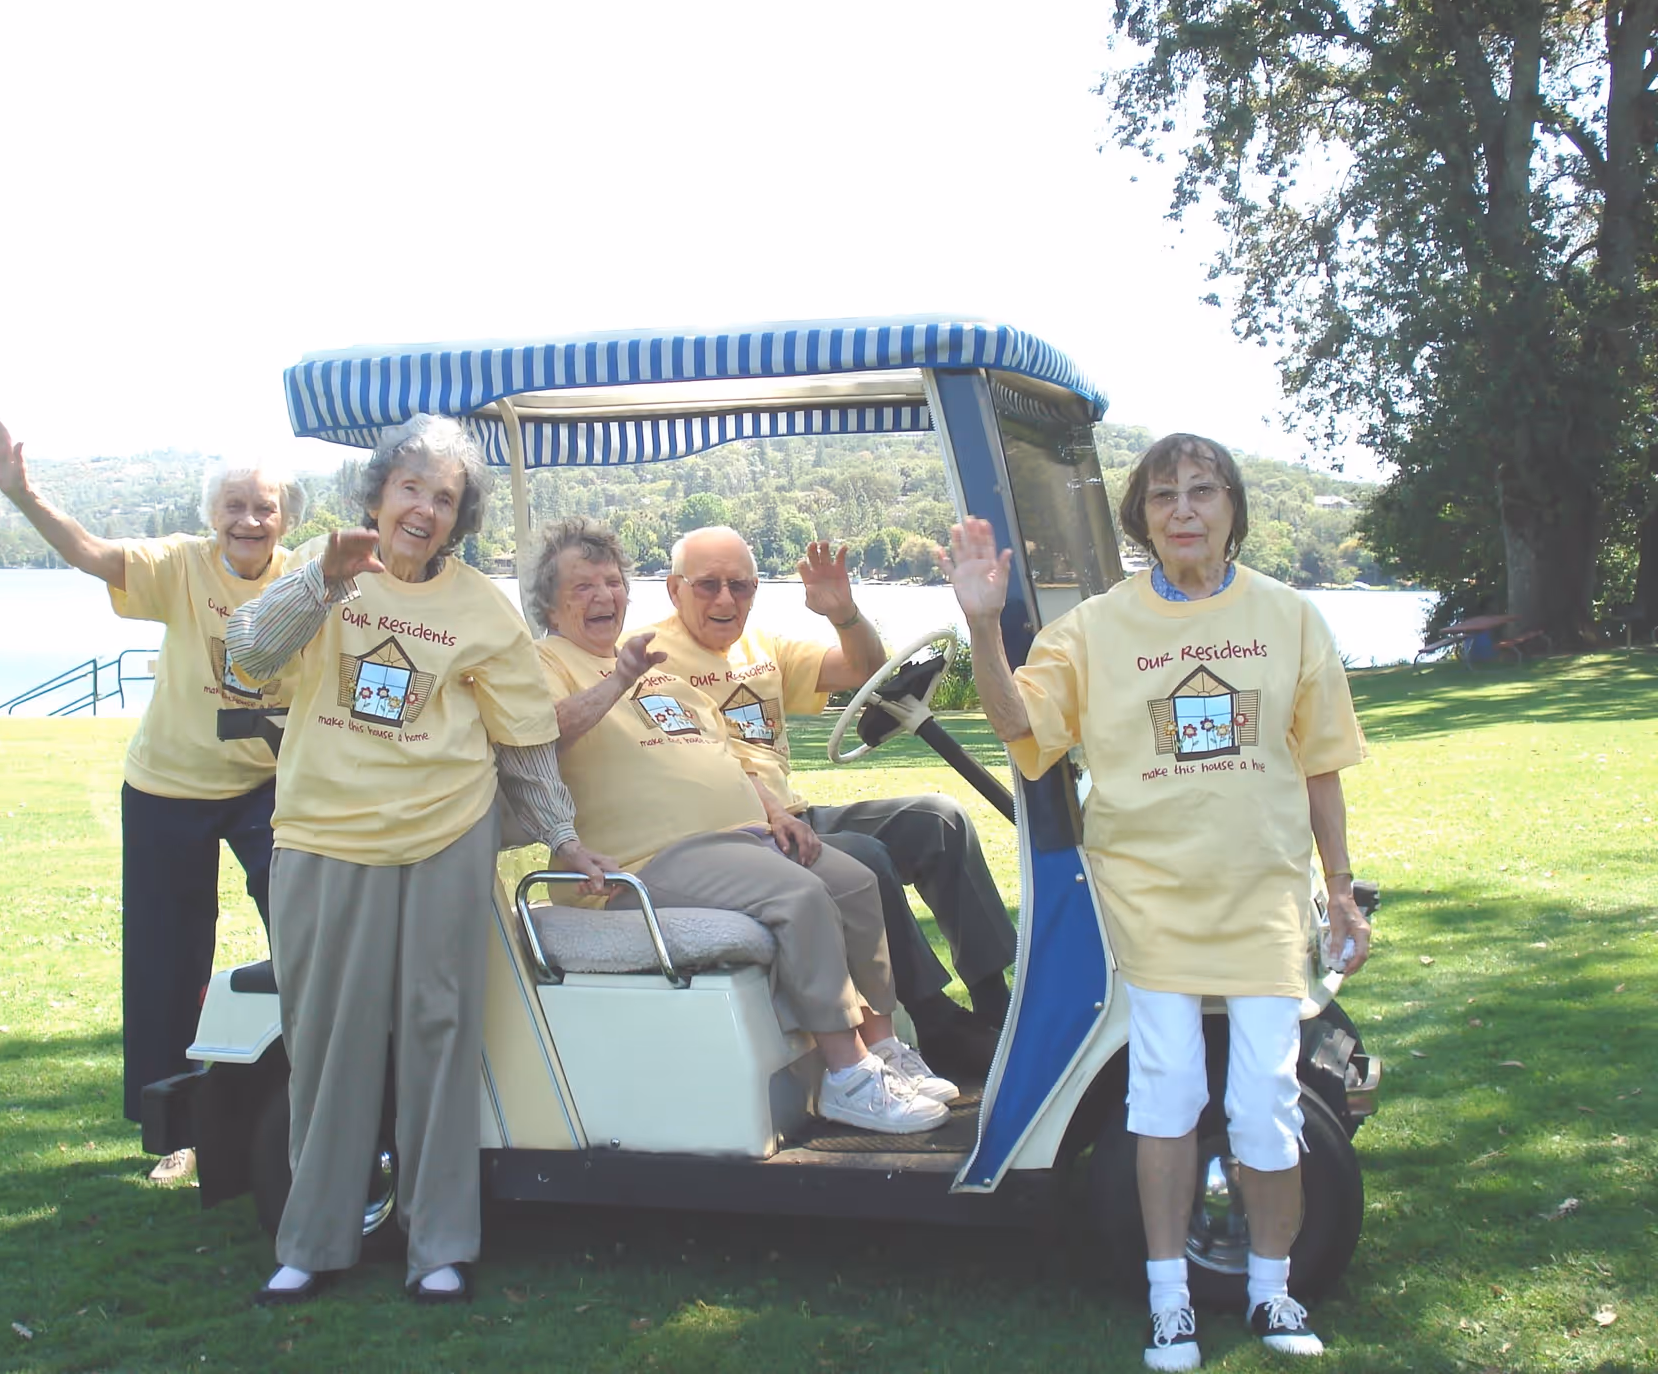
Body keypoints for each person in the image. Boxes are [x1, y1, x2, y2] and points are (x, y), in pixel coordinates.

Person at [941, 433, 1370, 1370]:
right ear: (1140, 517)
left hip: (1258, 894)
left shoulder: (1291, 617)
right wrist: (981, 623)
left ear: (1232, 508)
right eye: (1165, 494)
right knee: (1166, 1095)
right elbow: (1022, 726)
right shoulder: (1095, 627)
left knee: (1263, 1106)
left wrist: (1339, 890)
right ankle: (1169, 1299)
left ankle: (1271, 1292)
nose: (1184, 509)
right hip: (1145, 898)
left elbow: (1324, 765)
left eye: (1203, 492)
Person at [226, 417, 613, 1309]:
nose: (425, 509)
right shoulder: (327, 572)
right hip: (325, 836)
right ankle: (313, 1239)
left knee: (441, 1032)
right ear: (376, 496)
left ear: (457, 517)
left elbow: (524, 739)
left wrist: (559, 834)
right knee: (326, 1039)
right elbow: (248, 655)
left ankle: (438, 1242)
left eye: (444, 498)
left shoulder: (481, 606)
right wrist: (321, 584)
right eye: (412, 489)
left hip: (446, 832)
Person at [527, 516, 956, 1136]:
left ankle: (883, 1049)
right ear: (549, 601)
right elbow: (541, 735)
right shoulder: (545, 663)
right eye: (583, 586)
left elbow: (721, 754)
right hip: (646, 860)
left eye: (613, 583)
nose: (604, 597)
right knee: (800, 894)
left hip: (739, 837)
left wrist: (776, 813)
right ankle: (847, 1076)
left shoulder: (662, 672)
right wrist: (618, 679)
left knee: (854, 881)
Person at [0, 407, 304, 1179]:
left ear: (286, 519)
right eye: (234, 507)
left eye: (264, 507)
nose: (248, 520)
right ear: (212, 515)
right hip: (167, 787)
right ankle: (177, 1133)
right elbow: (91, 554)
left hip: (268, 788)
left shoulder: (303, 579)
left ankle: (308, 1094)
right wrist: (23, 493)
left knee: (311, 929)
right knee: (165, 963)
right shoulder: (180, 565)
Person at [649, 526, 1014, 1078]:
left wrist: (843, 615)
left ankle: (997, 1004)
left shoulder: (763, 648)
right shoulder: (650, 659)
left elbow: (863, 670)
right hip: (737, 834)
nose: (726, 600)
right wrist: (768, 813)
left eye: (741, 586)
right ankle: (936, 1021)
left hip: (793, 816)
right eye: (707, 586)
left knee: (939, 821)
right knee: (862, 855)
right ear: (674, 590)